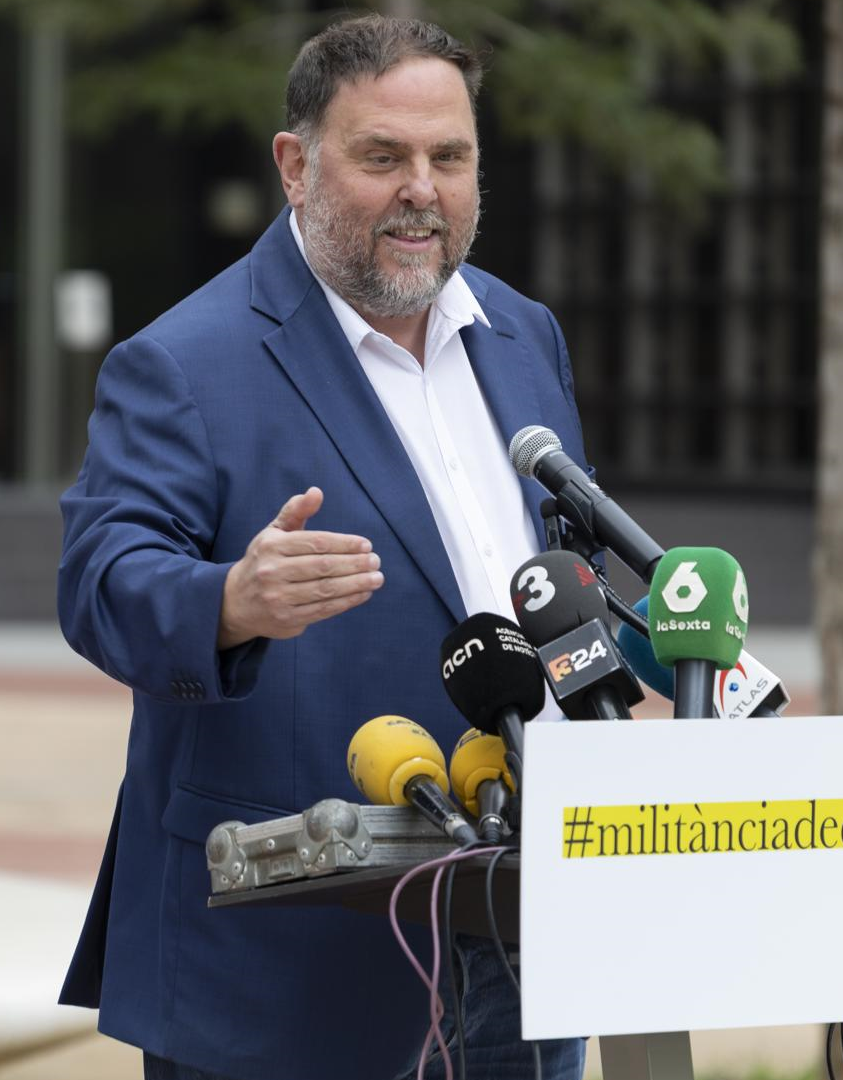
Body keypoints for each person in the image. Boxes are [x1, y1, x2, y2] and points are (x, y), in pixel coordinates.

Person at [57, 15, 591, 1080]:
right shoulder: (182, 361)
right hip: (287, 956)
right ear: (296, 166)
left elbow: (554, 571)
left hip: (529, 922)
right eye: (382, 156)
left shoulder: (524, 336)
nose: (422, 190)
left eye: (451, 157)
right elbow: (100, 580)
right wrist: (227, 600)